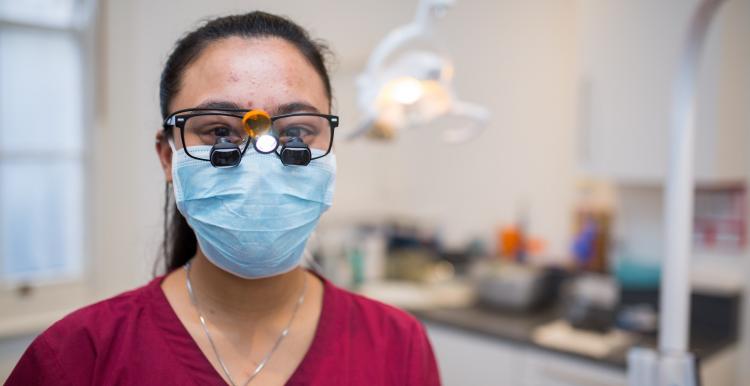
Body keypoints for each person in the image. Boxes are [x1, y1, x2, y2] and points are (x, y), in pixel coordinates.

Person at [7, 11, 441, 386]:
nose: (262, 162)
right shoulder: (80, 356)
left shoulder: (397, 345)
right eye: (218, 131)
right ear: (168, 157)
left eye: (296, 131)